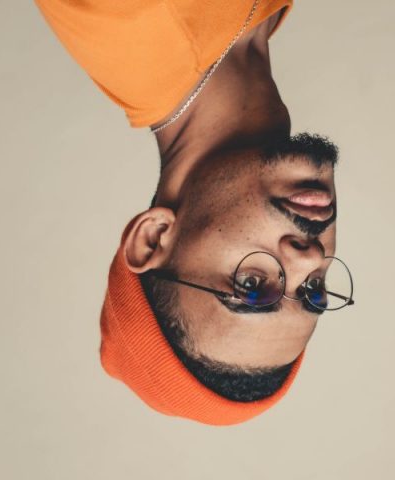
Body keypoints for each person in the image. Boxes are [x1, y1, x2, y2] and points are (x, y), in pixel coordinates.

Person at [35, 0, 354, 425]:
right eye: (314, 290)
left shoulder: (128, 13)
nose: (310, 257)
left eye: (251, 285)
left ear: (154, 238)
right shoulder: (253, 22)